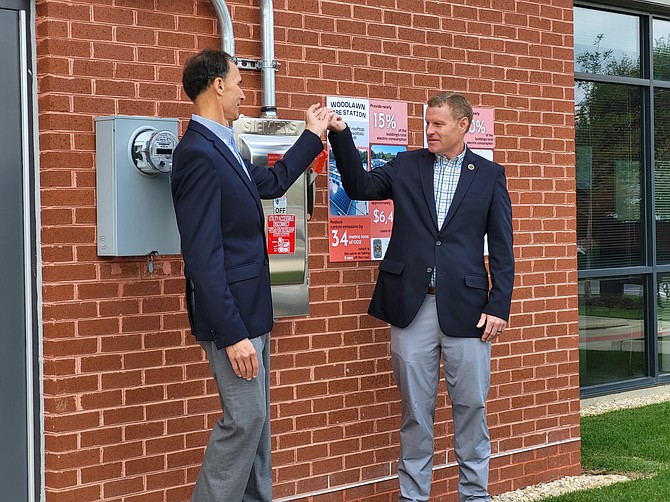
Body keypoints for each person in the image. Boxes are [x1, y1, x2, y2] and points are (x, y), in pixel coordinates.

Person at [326, 92, 514, 502]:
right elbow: (358, 186)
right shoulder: (406, 165)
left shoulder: (489, 175)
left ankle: (475, 495)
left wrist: (499, 305)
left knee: (471, 410)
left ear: (463, 126)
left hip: (469, 311)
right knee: (415, 414)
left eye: (438, 124)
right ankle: (413, 497)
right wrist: (341, 135)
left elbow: (502, 246)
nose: (428, 130)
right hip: (412, 308)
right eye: (427, 123)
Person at [170, 48, 332, 502]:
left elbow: (273, 184)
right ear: (217, 85)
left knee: (258, 425)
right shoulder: (197, 154)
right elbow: (202, 256)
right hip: (233, 320)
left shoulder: (226, 143)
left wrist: (312, 135)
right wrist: (232, 333)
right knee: (244, 420)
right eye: (240, 82)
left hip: (253, 311)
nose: (245, 92)